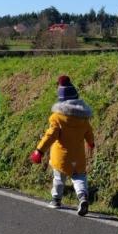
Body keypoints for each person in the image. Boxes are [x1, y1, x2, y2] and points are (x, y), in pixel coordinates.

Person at [33, 75, 95, 216]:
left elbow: (50, 135)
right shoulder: (83, 118)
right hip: (78, 157)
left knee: (59, 178)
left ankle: (56, 200)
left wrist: (39, 151)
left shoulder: (57, 118)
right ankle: (83, 197)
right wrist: (91, 143)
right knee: (79, 178)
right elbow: (89, 133)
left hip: (61, 156)